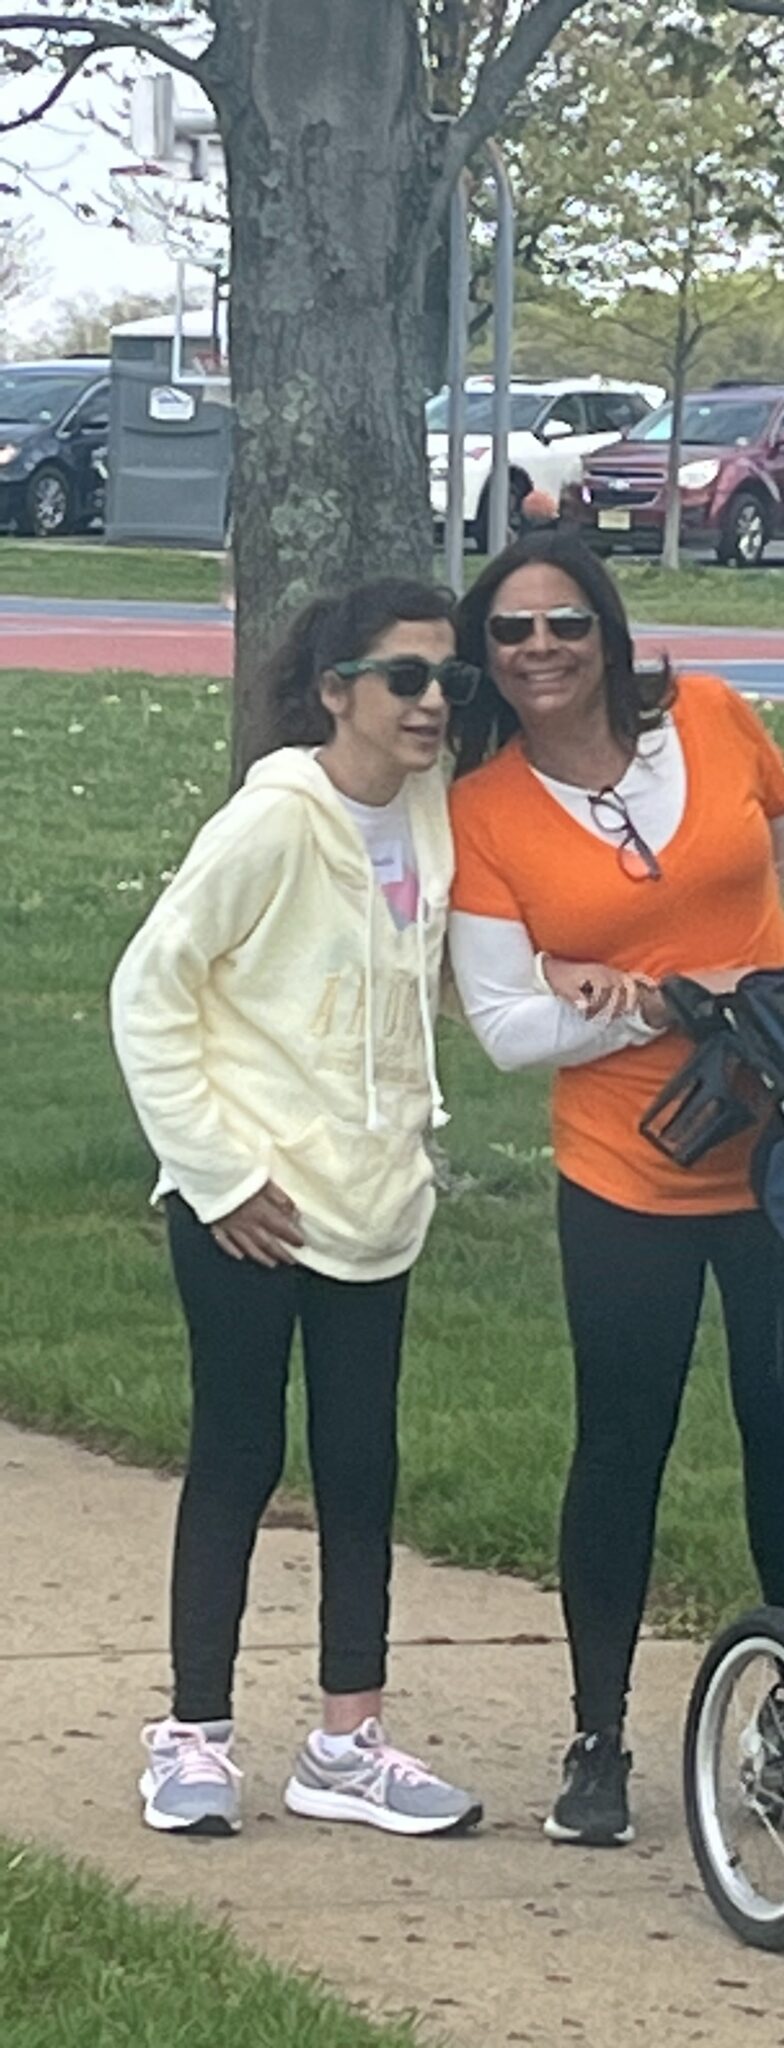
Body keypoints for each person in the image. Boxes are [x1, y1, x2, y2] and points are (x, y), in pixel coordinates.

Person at [447, 530, 784, 1847]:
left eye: (564, 625)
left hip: (779, 1158)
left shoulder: (710, 717)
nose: (540, 651)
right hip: (628, 1173)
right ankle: (598, 1736)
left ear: (606, 629)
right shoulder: (485, 808)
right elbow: (504, 1025)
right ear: (488, 657)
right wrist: (659, 1011)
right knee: (622, 1444)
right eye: (511, 634)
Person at [110, 578, 484, 1841]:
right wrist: (215, 1173)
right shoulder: (273, 822)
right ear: (337, 692)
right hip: (249, 1207)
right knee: (237, 1454)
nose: (433, 702)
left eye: (448, 679)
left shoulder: (429, 809)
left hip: (374, 1204)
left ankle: (347, 1741)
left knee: (362, 1464)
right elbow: (147, 993)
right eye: (406, 678)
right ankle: (194, 1733)